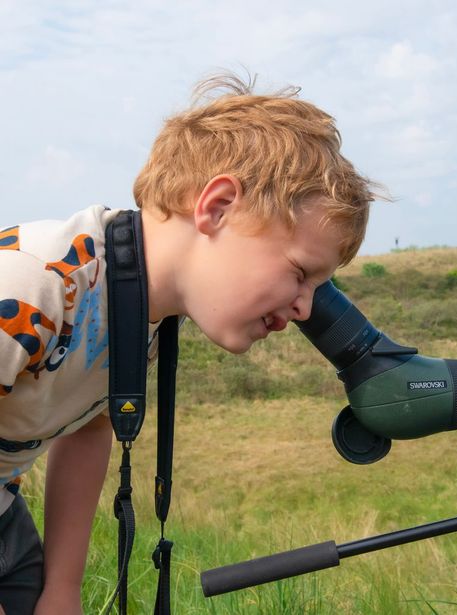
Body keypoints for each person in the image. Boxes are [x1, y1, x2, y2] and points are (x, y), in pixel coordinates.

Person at [0, 73, 379, 614]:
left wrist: (61, 591)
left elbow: (89, 426)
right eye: (300, 273)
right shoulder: (34, 284)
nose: (305, 308)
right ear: (217, 207)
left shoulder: (140, 314)